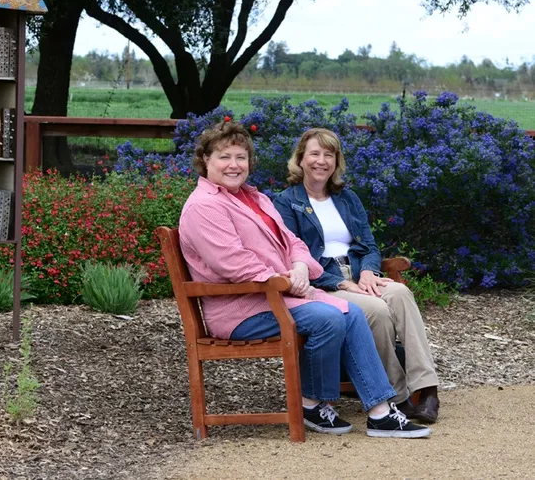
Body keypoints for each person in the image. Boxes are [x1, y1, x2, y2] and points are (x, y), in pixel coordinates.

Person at [178, 118, 431, 438]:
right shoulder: (204, 206)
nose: (234, 165)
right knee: (330, 316)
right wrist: (287, 281)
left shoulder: (254, 198)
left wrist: (299, 268)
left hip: (274, 295)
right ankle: (312, 402)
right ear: (205, 161)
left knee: (349, 311)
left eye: (240, 157)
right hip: (240, 308)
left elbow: (294, 243)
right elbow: (233, 263)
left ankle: (379, 412)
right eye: (224, 157)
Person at [273, 127, 440, 423]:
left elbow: (368, 245)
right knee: (376, 310)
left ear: (337, 162)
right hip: (324, 282)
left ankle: (427, 390)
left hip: (358, 273)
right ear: (300, 160)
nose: (321, 161)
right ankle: (397, 397)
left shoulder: (347, 198)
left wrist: (368, 273)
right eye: (314, 153)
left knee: (400, 294)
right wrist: (339, 281)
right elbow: (292, 254)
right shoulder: (287, 202)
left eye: (329, 155)